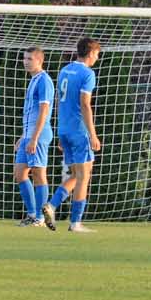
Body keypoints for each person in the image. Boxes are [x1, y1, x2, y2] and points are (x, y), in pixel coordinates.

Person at [42, 37, 102, 233]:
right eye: (97, 54)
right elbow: (85, 104)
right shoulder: (88, 74)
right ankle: (75, 223)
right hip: (79, 131)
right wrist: (92, 134)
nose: (97, 58)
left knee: (76, 174)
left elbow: (59, 101)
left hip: (65, 130)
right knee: (84, 177)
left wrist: (61, 131)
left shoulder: (64, 70)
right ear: (91, 53)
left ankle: (51, 205)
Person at [13, 47, 54, 227]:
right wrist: (23, 136)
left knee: (38, 173)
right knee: (20, 173)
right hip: (29, 135)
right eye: (24, 58)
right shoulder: (33, 80)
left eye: (30, 58)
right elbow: (31, 112)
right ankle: (32, 214)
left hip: (39, 135)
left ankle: (40, 217)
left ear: (39, 60)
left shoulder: (44, 80)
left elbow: (44, 110)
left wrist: (34, 137)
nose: (26, 62)